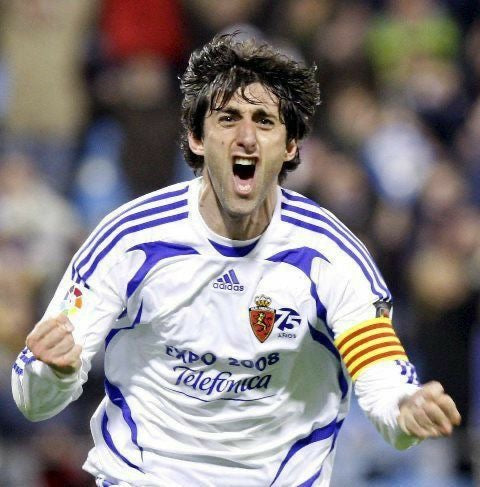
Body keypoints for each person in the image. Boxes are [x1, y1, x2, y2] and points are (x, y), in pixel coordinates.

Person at [12, 34, 461, 487]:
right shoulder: (129, 240)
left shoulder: (331, 258)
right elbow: (34, 399)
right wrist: (53, 371)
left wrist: (406, 411)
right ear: (196, 137)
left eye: (264, 121)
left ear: (290, 146)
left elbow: (385, 385)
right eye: (228, 119)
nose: (246, 138)